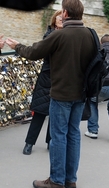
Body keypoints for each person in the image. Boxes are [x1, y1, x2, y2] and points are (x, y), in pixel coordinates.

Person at [6, 0, 95, 188]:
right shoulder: (90, 34)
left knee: (58, 136)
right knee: (74, 135)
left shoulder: (59, 35)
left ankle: (56, 180)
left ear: (64, 13)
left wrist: (16, 45)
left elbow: (33, 52)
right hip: (81, 95)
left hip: (62, 93)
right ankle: (70, 179)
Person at [22, 10, 62, 155]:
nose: (61, 19)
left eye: (63, 18)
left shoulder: (67, 35)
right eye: (58, 17)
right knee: (39, 112)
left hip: (61, 78)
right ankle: (29, 143)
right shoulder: (49, 34)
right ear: (54, 20)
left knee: (55, 113)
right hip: (47, 77)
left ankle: (50, 143)